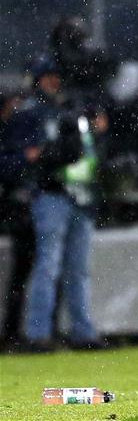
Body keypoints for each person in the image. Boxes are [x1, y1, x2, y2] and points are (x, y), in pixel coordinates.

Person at [16, 57, 107, 351]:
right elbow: (29, 155)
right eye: (48, 77)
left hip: (79, 194)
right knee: (49, 266)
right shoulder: (34, 112)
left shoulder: (71, 109)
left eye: (57, 76)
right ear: (38, 80)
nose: (54, 82)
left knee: (76, 269)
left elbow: (52, 153)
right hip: (52, 194)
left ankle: (81, 332)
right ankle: (38, 333)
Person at [0, 92, 40, 349]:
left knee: (22, 273)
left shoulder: (14, 132)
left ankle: (14, 331)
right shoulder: (10, 136)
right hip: (12, 207)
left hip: (17, 208)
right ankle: (12, 331)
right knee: (20, 274)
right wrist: (24, 158)